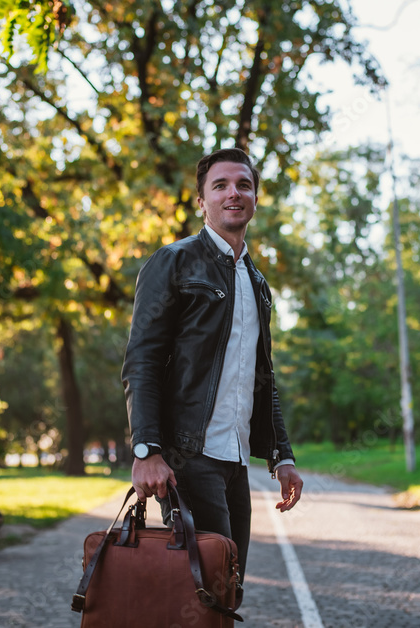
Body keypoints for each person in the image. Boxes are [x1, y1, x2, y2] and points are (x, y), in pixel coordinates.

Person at [122, 147, 304, 596]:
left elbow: (264, 378)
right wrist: (147, 449)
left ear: (255, 199)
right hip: (189, 456)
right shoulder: (174, 262)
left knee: (225, 587)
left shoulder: (257, 284)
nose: (233, 193)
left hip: (235, 459)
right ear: (201, 201)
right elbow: (141, 359)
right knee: (207, 588)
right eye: (219, 185)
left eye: (243, 185)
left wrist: (282, 456)